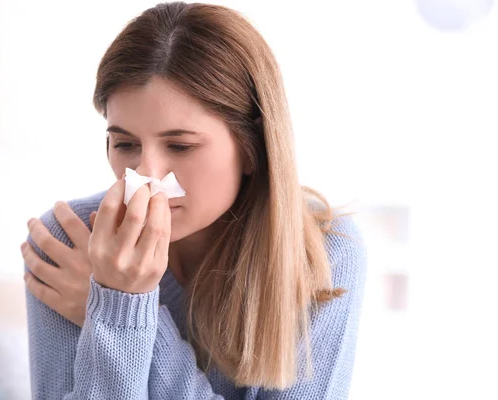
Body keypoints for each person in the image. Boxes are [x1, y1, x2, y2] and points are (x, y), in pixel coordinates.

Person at [20, 2, 367, 399]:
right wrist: (119, 304)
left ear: (252, 148)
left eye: (180, 146)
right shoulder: (69, 242)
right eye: (125, 144)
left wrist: (121, 311)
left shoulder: (323, 251)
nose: (147, 177)